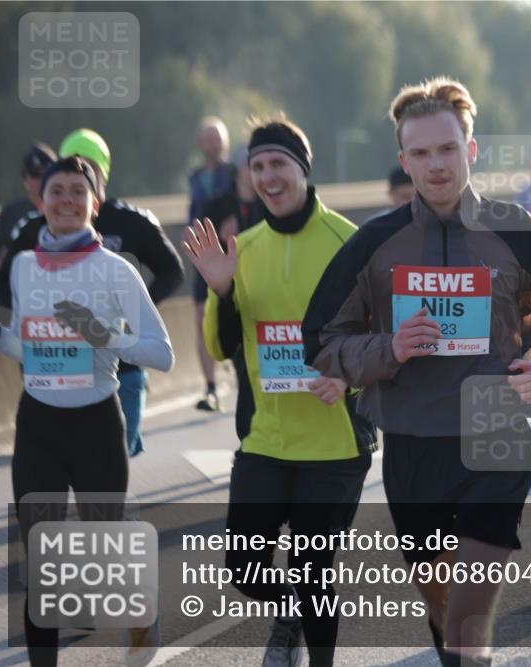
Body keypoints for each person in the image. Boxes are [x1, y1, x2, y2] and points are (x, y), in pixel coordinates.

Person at [301, 77, 531, 666]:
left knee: (468, 615)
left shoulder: (515, 229)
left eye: (448, 148)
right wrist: (389, 348)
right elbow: (321, 339)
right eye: (421, 152)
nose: (436, 164)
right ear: (403, 160)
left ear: (472, 149)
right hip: (412, 442)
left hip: (496, 434)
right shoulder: (375, 242)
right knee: (442, 607)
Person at [183, 114, 375, 667]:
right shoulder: (240, 249)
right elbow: (220, 347)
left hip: (335, 443)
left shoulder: (350, 242)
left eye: (279, 164)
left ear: (303, 169)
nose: (268, 177)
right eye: (258, 166)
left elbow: (384, 336)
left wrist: (349, 373)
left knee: (314, 574)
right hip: (265, 437)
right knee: (244, 567)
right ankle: (288, 611)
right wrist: (222, 289)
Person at [0, 156, 174, 666]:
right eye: (57, 191)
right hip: (38, 425)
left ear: (95, 204)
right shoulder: (23, 267)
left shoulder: (115, 270)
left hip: (96, 425)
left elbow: (162, 354)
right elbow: (29, 349)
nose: (67, 200)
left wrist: (103, 335)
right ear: (41, 201)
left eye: (78, 191)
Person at [0, 128, 184, 458]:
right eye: (60, 186)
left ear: (101, 176)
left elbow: (172, 271)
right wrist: (45, 322)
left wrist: (127, 314)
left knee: (104, 474)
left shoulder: (132, 222)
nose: (68, 197)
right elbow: (2, 291)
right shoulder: (33, 231)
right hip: (48, 386)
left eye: (88, 169)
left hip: (118, 376)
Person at [189, 116, 237, 413]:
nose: (213, 145)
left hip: (230, 253)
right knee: (200, 318)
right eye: (208, 139)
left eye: (218, 139)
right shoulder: (194, 177)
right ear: (200, 143)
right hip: (202, 254)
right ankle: (210, 386)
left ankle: (240, 369)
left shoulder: (234, 174)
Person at [0, 143, 55, 278]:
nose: (43, 179)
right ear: (25, 180)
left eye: (48, 173)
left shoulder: (66, 210)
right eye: (36, 174)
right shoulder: (10, 213)